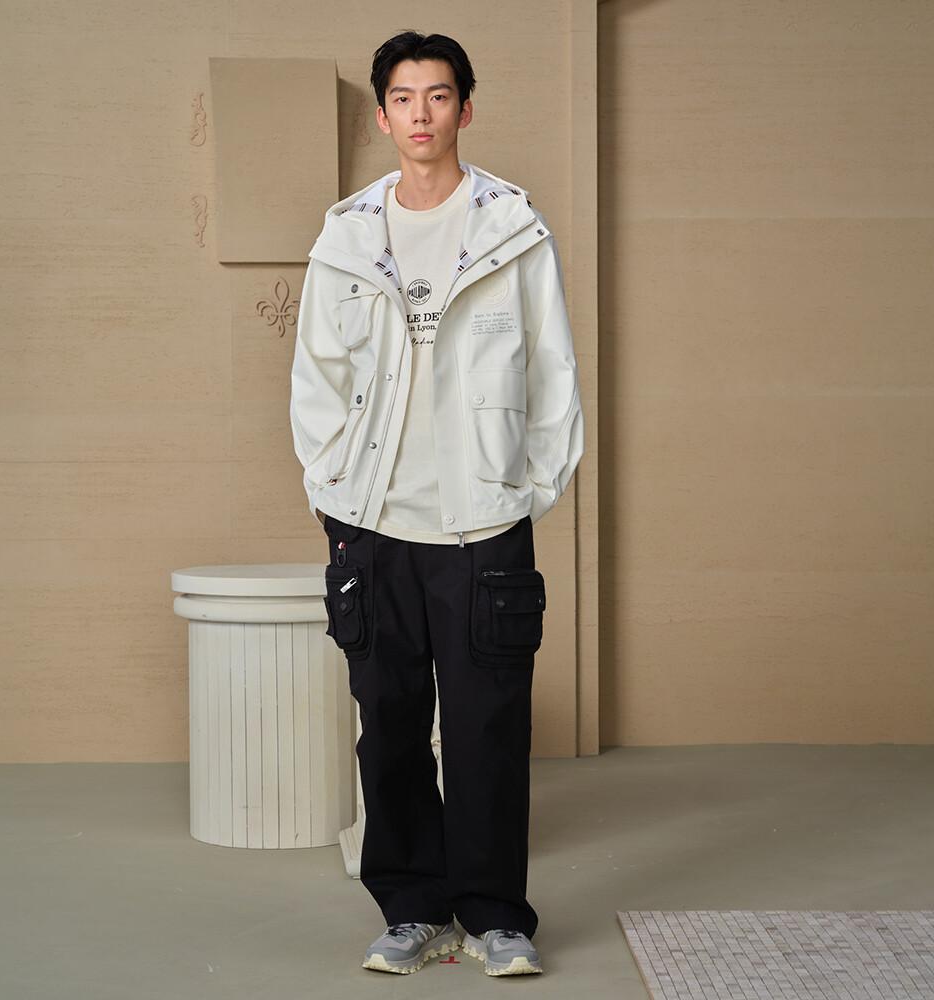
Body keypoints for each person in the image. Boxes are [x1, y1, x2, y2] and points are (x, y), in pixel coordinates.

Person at [289, 29, 583, 977]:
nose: (422, 114)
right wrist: (335, 496)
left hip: (482, 522)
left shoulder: (511, 228)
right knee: (389, 724)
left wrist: (523, 494)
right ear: (383, 116)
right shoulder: (346, 235)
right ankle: (413, 910)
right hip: (373, 523)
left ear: (466, 107)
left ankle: (496, 917)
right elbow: (316, 377)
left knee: (488, 724)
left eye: (440, 95)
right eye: (405, 98)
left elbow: (554, 370)